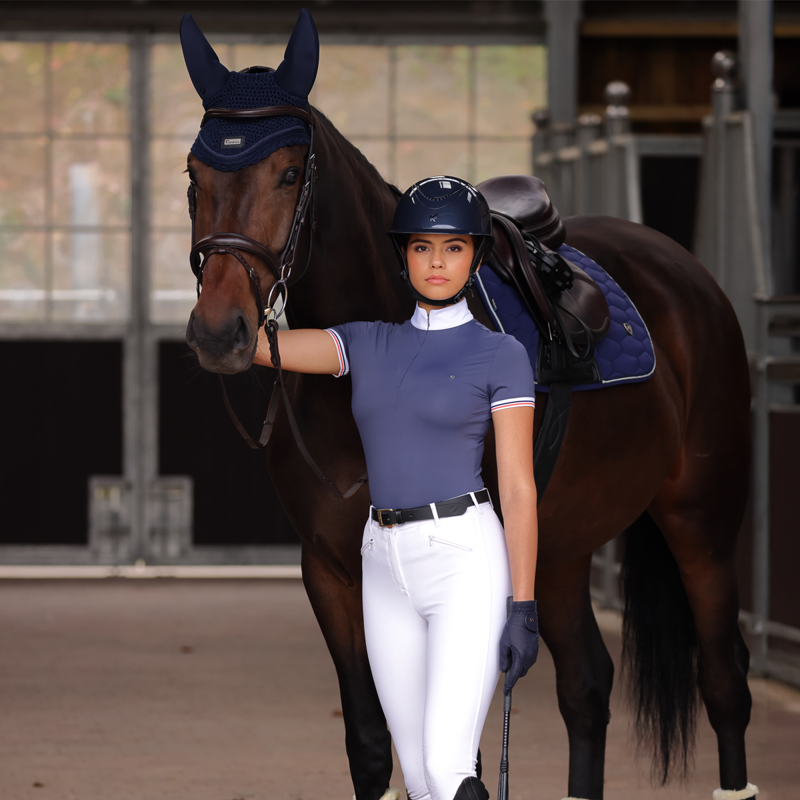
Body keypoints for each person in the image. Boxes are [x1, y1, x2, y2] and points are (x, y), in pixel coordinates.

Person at [254, 176, 539, 800]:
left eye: (454, 247)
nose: (436, 262)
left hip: (464, 558)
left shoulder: (502, 355)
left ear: (476, 256)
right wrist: (226, 274)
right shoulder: (364, 342)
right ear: (403, 256)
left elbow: (519, 489)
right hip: (382, 561)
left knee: (447, 767)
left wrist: (523, 605)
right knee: (416, 777)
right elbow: (252, 346)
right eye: (421, 248)